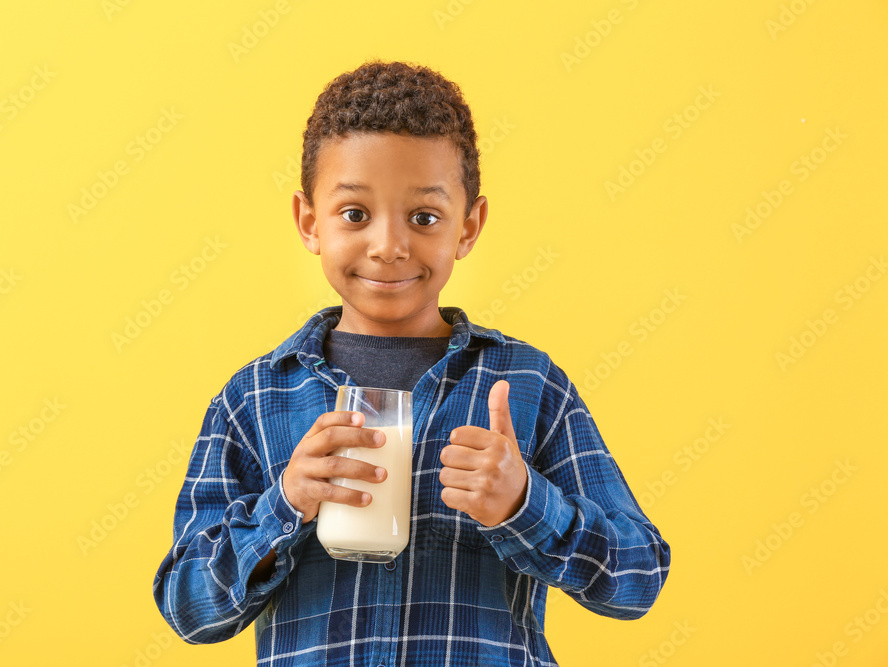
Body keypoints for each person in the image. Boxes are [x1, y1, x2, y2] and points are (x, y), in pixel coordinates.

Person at [152, 58, 670, 666]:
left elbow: (638, 577)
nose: (389, 245)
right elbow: (187, 607)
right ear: (308, 221)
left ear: (468, 227)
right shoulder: (253, 399)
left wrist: (525, 503)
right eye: (355, 214)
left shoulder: (527, 384)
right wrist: (284, 504)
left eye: (424, 218)